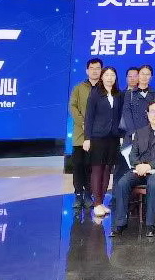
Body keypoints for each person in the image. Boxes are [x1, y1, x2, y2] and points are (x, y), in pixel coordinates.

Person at [111, 100, 155, 237]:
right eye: (152, 111)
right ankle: (120, 224)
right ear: (147, 114)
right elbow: (133, 154)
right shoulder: (140, 132)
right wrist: (139, 165)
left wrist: (149, 166)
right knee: (123, 182)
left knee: (153, 182)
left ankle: (150, 224)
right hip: (140, 169)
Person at [84, 66, 123, 217]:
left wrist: (121, 134)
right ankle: (96, 203)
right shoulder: (95, 93)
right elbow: (89, 117)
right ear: (102, 77)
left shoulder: (118, 94)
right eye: (107, 75)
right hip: (97, 136)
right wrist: (87, 138)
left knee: (108, 169)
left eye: (112, 75)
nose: (109, 78)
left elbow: (120, 116)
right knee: (97, 169)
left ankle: (101, 202)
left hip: (113, 137)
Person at [68, 58, 102, 209]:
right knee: (78, 166)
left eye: (98, 68)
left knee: (91, 166)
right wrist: (83, 122)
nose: (95, 71)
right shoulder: (78, 88)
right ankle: (78, 194)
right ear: (87, 70)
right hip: (80, 135)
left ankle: (88, 194)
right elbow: (73, 106)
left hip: (97, 135)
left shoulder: (104, 88)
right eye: (92, 68)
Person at [119, 64, 155, 182]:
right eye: (142, 74)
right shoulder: (129, 93)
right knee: (130, 169)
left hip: (151, 135)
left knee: (149, 168)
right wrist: (134, 133)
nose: (144, 77)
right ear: (138, 75)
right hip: (133, 136)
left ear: (151, 77)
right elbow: (126, 113)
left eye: (147, 74)